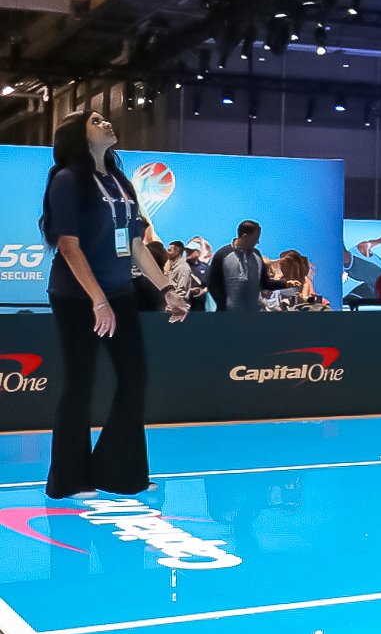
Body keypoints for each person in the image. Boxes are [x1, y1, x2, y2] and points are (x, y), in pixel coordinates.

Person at [40, 110, 188, 499]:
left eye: (104, 119)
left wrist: (166, 289)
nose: (106, 123)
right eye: (95, 120)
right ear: (79, 135)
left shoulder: (120, 182)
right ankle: (68, 479)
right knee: (80, 383)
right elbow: (69, 246)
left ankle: (119, 472)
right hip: (77, 296)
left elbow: (136, 243)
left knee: (134, 377)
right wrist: (97, 301)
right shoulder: (68, 180)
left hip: (119, 293)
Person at [207, 220, 290, 311]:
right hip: (228, 316)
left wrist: (285, 283)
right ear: (245, 237)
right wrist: (224, 304)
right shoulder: (223, 254)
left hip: (253, 315)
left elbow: (265, 283)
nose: (257, 242)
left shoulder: (257, 255)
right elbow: (212, 284)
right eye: (255, 238)